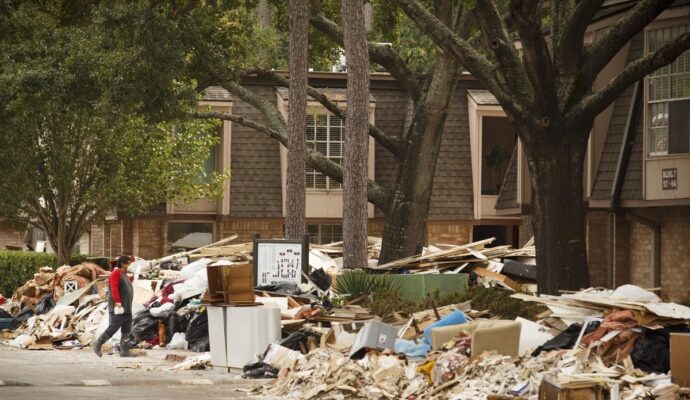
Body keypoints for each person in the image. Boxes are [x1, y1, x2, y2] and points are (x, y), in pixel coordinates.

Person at [93, 255, 135, 357]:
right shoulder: (116, 273)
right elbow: (114, 288)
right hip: (119, 307)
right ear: (122, 264)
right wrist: (117, 301)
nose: (129, 265)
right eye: (128, 263)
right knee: (113, 328)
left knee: (126, 330)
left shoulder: (123, 274)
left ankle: (124, 351)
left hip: (127, 308)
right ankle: (98, 344)